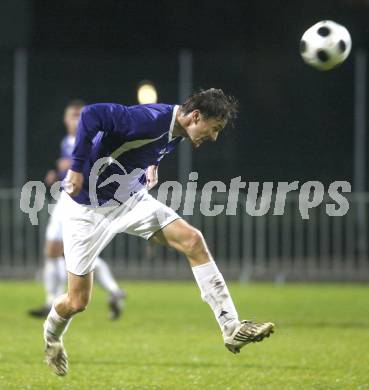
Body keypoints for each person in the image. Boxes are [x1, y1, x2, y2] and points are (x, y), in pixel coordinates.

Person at [43, 89, 275, 376]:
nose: (214, 137)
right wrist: (77, 168)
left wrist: (152, 163)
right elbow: (92, 115)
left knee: (193, 240)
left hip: (130, 200)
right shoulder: (148, 119)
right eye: (214, 129)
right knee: (77, 301)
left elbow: (144, 147)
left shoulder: (177, 127)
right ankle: (51, 338)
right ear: (196, 116)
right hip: (86, 209)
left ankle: (231, 326)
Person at [29, 100, 126, 321]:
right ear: (65, 119)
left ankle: (54, 300)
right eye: (71, 115)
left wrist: (69, 167)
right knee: (58, 252)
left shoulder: (91, 138)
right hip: (67, 197)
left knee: (75, 254)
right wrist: (59, 174)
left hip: (80, 201)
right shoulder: (67, 140)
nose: (75, 119)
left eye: (78, 115)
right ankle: (111, 291)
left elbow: (92, 166)